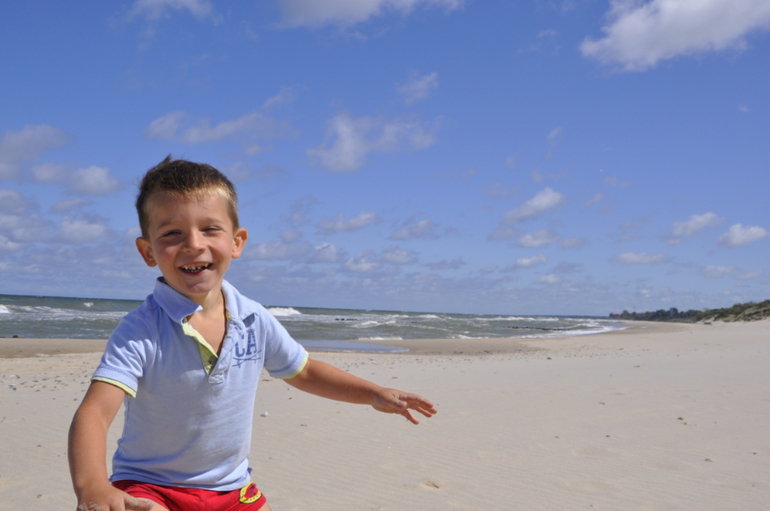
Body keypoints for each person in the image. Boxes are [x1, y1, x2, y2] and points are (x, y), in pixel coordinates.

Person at [68, 157, 437, 511]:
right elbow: (95, 413)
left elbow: (305, 371)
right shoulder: (141, 329)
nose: (194, 244)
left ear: (236, 241)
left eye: (210, 229)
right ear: (148, 251)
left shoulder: (254, 319)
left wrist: (372, 393)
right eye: (172, 233)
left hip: (232, 488)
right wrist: (93, 486)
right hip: (151, 485)